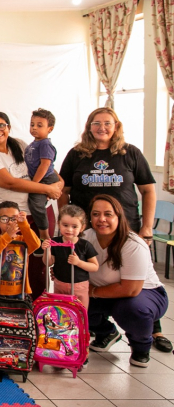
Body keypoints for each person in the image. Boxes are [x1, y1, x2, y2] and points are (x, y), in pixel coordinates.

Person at [57, 107, 168, 352]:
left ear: (116, 126)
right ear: (89, 127)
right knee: (86, 278)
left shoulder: (130, 153)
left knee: (136, 276)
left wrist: (147, 228)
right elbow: (62, 191)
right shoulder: (77, 154)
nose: (102, 128)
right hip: (89, 232)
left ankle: (152, 328)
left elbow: (148, 190)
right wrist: (67, 223)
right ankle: (104, 330)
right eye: (96, 123)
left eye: (108, 123)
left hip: (126, 229)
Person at [0, 111, 62, 298]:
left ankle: (37, 310)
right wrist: (46, 189)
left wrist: (58, 184)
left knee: (38, 269)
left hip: (40, 214)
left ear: (8, 127)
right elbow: (10, 183)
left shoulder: (22, 145)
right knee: (11, 268)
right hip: (11, 219)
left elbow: (46, 166)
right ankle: (9, 311)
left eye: (1, 125)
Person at [83, 195, 169, 368]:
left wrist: (90, 292)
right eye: (96, 214)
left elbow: (131, 289)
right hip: (101, 290)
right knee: (73, 304)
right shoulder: (84, 237)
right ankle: (106, 333)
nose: (101, 219)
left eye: (108, 214)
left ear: (119, 217)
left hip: (143, 294)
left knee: (131, 309)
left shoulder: (133, 243)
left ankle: (141, 347)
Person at [40, 205, 98, 308]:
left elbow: (95, 266)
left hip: (79, 288)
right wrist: (47, 250)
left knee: (80, 314)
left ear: (82, 228)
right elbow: (48, 262)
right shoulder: (55, 242)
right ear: (59, 224)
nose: (69, 230)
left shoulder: (85, 245)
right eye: (65, 225)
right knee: (60, 313)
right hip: (59, 285)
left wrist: (78, 262)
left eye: (74, 226)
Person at [0, 201, 40, 301]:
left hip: (19, 290)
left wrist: (24, 224)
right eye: (4, 219)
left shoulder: (22, 240)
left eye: (13, 219)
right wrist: (8, 236)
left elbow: (36, 244)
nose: (9, 222)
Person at [26, 108, 60, 240]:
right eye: (32, 124)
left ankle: (44, 236)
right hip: (40, 178)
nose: (34, 128)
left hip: (46, 178)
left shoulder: (45, 144)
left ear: (49, 129)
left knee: (35, 203)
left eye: (39, 125)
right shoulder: (34, 143)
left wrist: (34, 184)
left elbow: (44, 165)